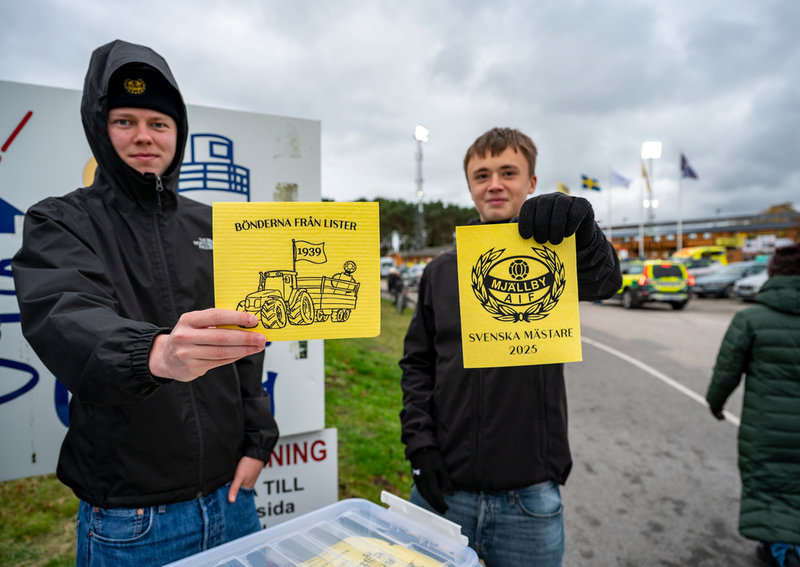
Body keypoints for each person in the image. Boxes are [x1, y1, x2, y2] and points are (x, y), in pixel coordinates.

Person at [12, 40, 279, 567]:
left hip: (233, 497)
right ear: (98, 127)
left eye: (159, 122)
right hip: (133, 520)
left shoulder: (214, 225)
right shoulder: (61, 221)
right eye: (124, 120)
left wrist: (258, 442)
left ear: (178, 133)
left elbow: (248, 346)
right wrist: (154, 353)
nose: (143, 136)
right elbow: (65, 316)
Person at [399, 127, 621, 566]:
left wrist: (585, 232)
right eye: (482, 175)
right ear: (469, 186)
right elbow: (418, 364)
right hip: (444, 492)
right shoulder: (441, 271)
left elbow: (605, 281)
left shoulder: (556, 253)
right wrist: (419, 446)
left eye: (508, 172)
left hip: (529, 501)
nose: (494, 184)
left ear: (532, 183)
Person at [706, 243, 800, 567]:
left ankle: (781, 551)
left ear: (773, 273)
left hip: (767, 432)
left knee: (771, 488)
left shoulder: (751, 319)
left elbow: (726, 372)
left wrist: (715, 403)